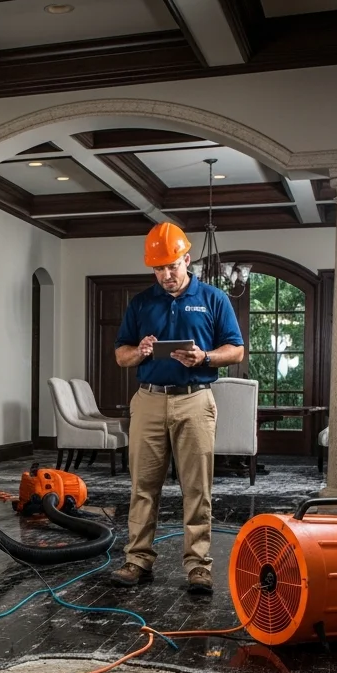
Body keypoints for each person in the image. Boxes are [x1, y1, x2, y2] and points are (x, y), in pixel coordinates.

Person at [112, 222, 245, 595]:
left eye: (172, 265)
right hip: (149, 399)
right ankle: (137, 559)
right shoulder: (141, 303)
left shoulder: (214, 298)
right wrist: (139, 351)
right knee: (143, 486)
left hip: (195, 399)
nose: (166, 275)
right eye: (159, 268)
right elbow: (121, 354)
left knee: (196, 487)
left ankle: (198, 566)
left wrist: (205, 356)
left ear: (187, 260)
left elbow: (236, 349)